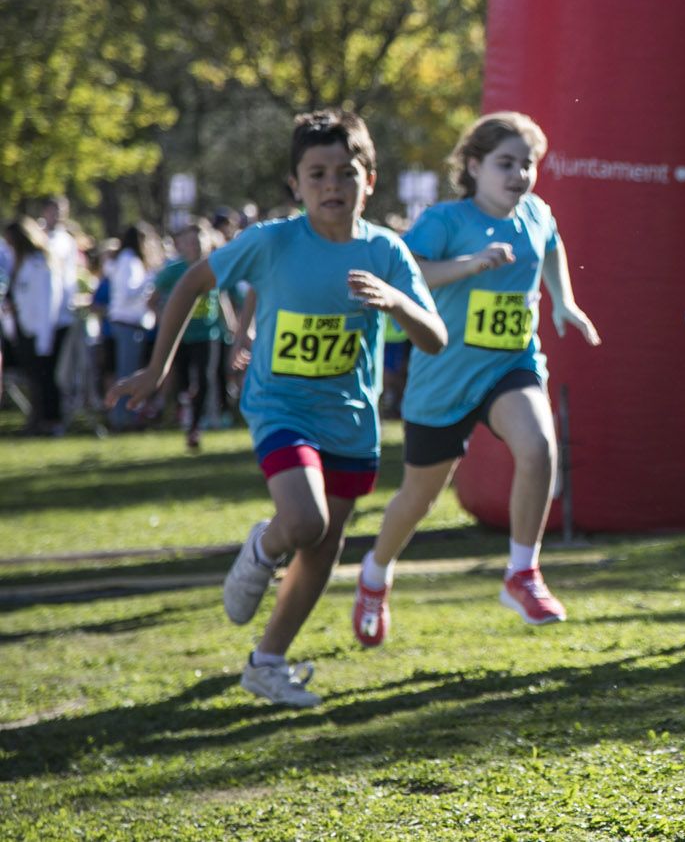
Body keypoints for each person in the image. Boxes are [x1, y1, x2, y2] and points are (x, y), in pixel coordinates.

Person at [107, 110, 446, 708]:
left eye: (346, 172)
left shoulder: (388, 251)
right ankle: (263, 548)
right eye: (317, 174)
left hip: (349, 418)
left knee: (323, 547)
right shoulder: (272, 241)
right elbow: (190, 283)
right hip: (280, 407)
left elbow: (434, 338)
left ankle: (267, 663)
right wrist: (158, 368)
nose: (332, 185)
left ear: (370, 179)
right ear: (295, 184)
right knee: (305, 521)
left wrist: (396, 301)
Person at [351, 112, 600, 647]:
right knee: (418, 499)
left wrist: (565, 303)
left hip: (512, 365)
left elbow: (551, 245)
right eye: (505, 163)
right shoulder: (446, 221)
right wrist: (470, 265)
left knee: (538, 448)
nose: (519, 175)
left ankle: (522, 572)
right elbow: (407, 274)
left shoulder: (536, 213)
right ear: (473, 166)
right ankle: (375, 574)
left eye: (527, 164)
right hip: (444, 377)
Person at [151, 220, 229, 449]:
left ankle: (195, 427)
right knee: (184, 383)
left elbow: (221, 296)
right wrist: (164, 320)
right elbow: (152, 300)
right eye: (189, 242)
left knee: (205, 379)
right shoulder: (173, 271)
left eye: (198, 241)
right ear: (181, 246)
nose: (194, 246)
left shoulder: (215, 267)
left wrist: (231, 324)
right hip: (181, 336)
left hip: (208, 333)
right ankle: (184, 410)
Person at [4, 218, 70, 435]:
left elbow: (47, 302)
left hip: (43, 329)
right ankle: (37, 418)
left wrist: (44, 338)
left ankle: (52, 420)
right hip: (26, 328)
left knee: (47, 377)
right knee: (34, 377)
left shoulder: (41, 262)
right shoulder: (21, 262)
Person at [105, 222, 160, 431]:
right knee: (126, 373)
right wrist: (151, 280)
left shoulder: (128, 259)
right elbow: (129, 293)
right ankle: (121, 419)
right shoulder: (129, 260)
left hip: (131, 323)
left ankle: (126, 416)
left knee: (128, 371)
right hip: (127, 323)